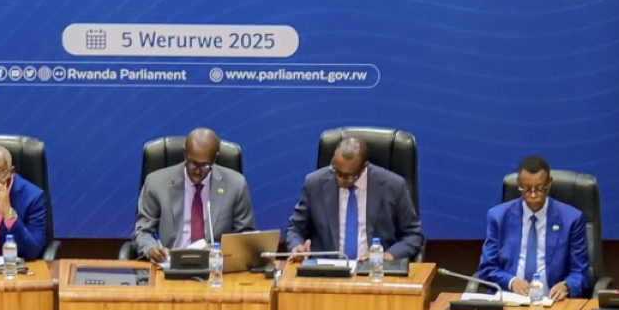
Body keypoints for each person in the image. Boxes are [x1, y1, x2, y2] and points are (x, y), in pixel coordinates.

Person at [286, 136, 424, 263]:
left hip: (374, 270)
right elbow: (295, 228)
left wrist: (387, 256)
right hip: (326, 269)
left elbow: (413, 235)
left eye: (347, 176)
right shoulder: (314, 183)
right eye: (336, 171)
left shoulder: (393, 185)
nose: (339, 179)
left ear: (364, 167)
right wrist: (296, 246)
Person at [132, 128, 255, 263]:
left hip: (215, 267)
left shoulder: (236, 184)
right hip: (170, 266)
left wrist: (220, 250)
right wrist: (151, 249)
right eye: (192, 163)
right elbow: (142, 232)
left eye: (204, 165)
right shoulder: (156, 183)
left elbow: (244, 236)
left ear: (215, 158)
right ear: (185, 153)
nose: (196, 171)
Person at [476, 155, 589, 301]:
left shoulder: (571, 219)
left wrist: (566, 286)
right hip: (510, 300)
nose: (533, 195)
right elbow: (487, 268)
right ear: (519, 185)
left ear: (549, 184)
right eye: (527, 189)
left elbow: (580, 273)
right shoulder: (498, 216)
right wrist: (511, 282)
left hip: (552, 302)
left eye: (540, 189)